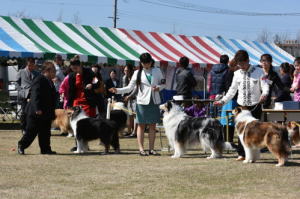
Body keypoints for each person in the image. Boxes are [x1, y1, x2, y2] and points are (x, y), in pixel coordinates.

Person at [214, 50, 269, 161]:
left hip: (255, 105)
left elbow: (265, 86)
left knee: (255, 133)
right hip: (241, 107)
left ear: (248, 60)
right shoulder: (236, 73)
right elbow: (232, 90)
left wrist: (264, 94)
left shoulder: (259, 71)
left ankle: (254, 155)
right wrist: (222, 101)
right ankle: (241, 154)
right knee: (241, 131)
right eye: (239, 64)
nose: (241, 66)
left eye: (243, 64)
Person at [109, 53, 166, 156]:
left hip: (154, 101)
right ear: (141, 63)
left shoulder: (157, 71)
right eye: (144, 63)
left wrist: (158, 87)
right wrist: (117, 90)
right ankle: (141, 149)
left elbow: (163, 84)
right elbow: (129, 87)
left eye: (148, 63)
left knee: (153, 126)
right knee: (141, 125)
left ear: (151, 62)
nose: (146, 65)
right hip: (142, 102)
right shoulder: (137, 73)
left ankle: (151, 149)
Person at [17, 61, 57, 155]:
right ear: (47, 71)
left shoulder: (50, 81)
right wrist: (37, 108)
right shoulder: (39, 79)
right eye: (53, 71)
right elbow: (35, 94)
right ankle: (21, 145)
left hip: (46, 111)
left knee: (45, 132)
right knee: (31, 131)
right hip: (36, 112)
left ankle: (45, 149)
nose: (54, 73)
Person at [16, 57, 40, 134]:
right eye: (30, 65)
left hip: (33, 95)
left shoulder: (37, 73)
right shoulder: (21, 72)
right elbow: (17, 82)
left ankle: (32, 128)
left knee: (33, 113)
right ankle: (24, 128)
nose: (31, 67)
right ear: (27, 64)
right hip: (24, 95)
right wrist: (21, 90)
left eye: (32, 65)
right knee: (24, 112)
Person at [219, 59, 239, 143]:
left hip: (227, 99)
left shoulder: (226, 73)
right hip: (232, 99)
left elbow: (222, 86)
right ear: (235, 66)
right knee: (230, 122)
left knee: (226, 121)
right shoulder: (234, 74)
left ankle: (227, 140)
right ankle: (229, 141)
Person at [122, 64, 137, 138]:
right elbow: (125, 88)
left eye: (127, 70)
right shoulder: (124, 77)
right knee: (130, 115)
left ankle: (135, 132)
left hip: (136, 98)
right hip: (128, 98)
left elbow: (135, 89)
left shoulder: (135, 78)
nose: (125, 72)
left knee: (135, 115)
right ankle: (129, 131)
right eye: (125, 70)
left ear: (131, 70)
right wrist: (124, 97)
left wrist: (129, 96)